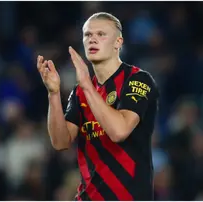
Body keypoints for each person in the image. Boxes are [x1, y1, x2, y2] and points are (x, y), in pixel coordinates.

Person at [36, 12, 159, 201]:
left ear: (118, 42)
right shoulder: (80, 93)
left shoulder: (137, 79)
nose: (93, 39)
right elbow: (60, 142)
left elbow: (119, 131)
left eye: (101, 34)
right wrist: (53, 94)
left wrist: (86, 84)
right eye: (88, 35)